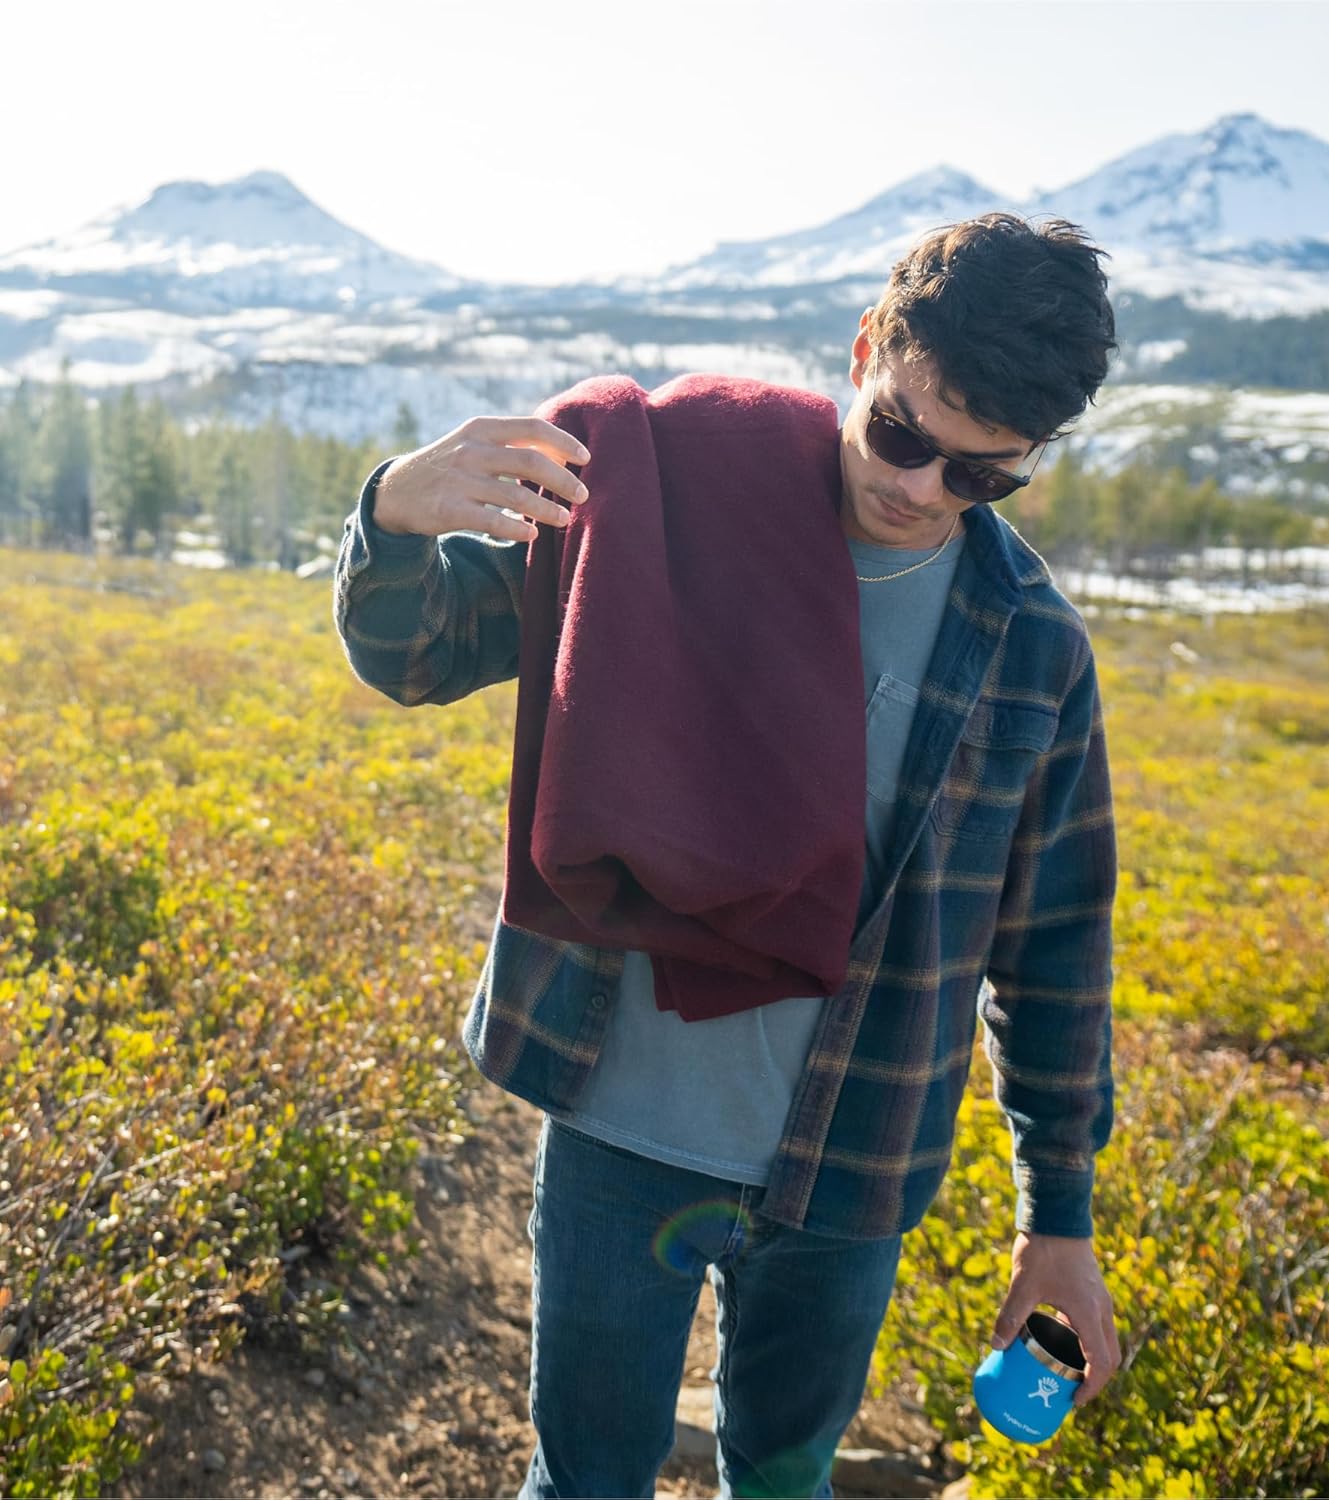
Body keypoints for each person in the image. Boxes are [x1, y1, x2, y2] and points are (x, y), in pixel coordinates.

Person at [332, 211, 1123, 1498]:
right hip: (619, 1128)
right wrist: (392, 515)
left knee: (781, 1484)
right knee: (584, 1481)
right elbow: (418, 653)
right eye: (901, 435)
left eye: (981, 476)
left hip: (851, 1170)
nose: (922, 490)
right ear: (865, 350)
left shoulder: (1034, 649)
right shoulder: (672, 495)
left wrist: (1060, 1221)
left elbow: (1057, 954)